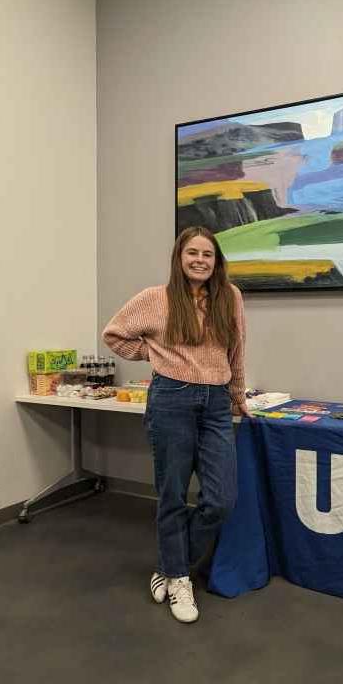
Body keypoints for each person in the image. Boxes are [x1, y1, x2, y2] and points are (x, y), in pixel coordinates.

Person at [103, 226, 248, 623]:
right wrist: (152, 352)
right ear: (179, 259)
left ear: (216, 261)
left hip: (216, 403)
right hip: (171, 399)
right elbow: (113, 335)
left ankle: (170, 564)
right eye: (192, 254)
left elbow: (236, 351)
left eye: (207, 254)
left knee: (221, 499)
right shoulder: (156, 299)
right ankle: (180, 579)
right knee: (172, 492)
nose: (200, 260)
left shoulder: (229, 297)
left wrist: (237, 394)